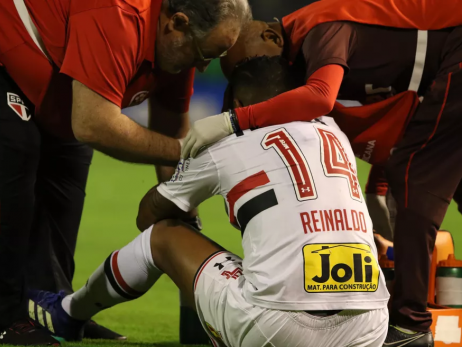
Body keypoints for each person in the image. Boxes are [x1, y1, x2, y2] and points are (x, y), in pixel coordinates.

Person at [0, 0, 250, 345]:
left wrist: (186, 220)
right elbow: (94, 124)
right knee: (11, 151)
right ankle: (0, 319)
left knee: (69, 164)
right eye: (203, 53)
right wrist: (187, 153)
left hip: (34, 52)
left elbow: (169, 131)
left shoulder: (182, 46)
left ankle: (52, 310)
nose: (203, 64)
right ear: (175, 22)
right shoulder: (119, 16)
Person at [27, 56, 390, 346]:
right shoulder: (333, 132)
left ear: (237, 103)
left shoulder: (230, 144)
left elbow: (147, 216)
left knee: (164, 235)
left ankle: (67, 313)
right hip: (370, 327)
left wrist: (181, 189)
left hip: (279, 328)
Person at [181, 0, 462, 345]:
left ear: (271, 35)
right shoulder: (330, 59)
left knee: (414, 174)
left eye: (252, 63)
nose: (255, 76)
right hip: (450, 62)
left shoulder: (320, 27)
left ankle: (410, 326)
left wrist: (235, 119)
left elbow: (321, 98)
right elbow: (406, 116)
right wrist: (380, 182)